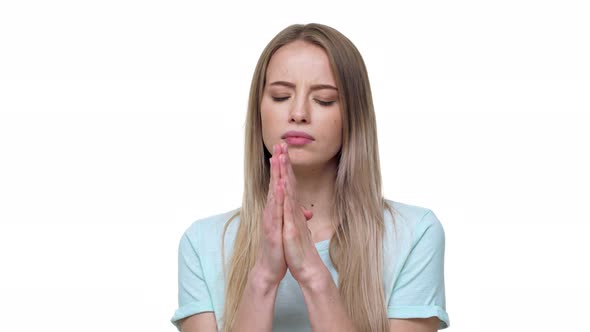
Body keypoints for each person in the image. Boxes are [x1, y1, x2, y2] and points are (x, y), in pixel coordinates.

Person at [170, 23, 450, 332]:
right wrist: (263, 277)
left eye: (324, 100)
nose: (299, 112)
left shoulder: (414, 234)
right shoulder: (203, 243)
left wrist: (313, 274)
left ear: (352, 115)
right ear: (259, 109)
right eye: (280, 96)